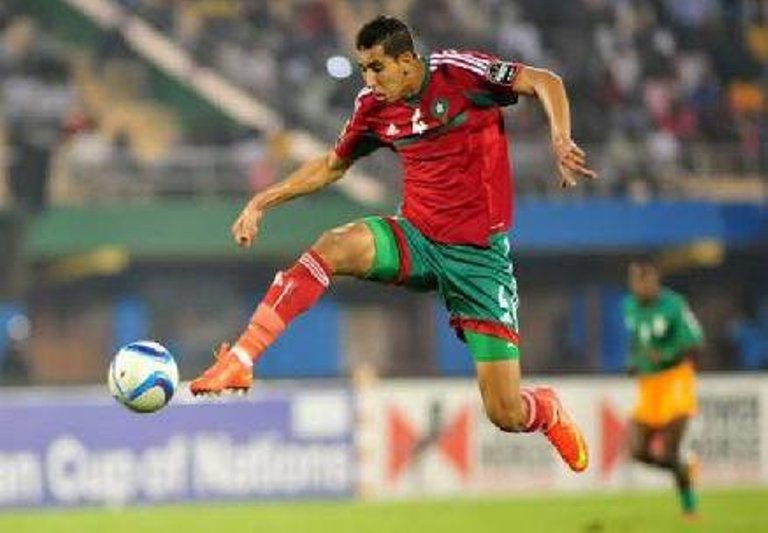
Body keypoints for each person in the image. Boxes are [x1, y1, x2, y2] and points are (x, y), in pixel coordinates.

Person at [191, 16, 595, 473]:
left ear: (406, 61)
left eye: (377, 68)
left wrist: (560, 137)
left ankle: (546, 409)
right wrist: (261, 201)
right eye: (363, 68)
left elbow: (544, 81)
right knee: (333, 246)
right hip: (417, 238)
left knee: (506, 413)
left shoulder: (460, 73)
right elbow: (331, 165)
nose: (369, 80)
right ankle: (242, 358)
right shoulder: (372, 107)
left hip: (479, 260)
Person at [623, 260, 703, 517]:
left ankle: (689, 507)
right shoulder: (629, 306)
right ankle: (684, 469)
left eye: (643, 281)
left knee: (670, 450)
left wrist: (667, 354)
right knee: (637, 451)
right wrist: (633, 361)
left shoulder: (674, 304)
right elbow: (636, 340)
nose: (639, 287)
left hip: (675, 381)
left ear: (654, 281)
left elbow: (695, 341)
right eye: (634, 281)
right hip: (648, 385)